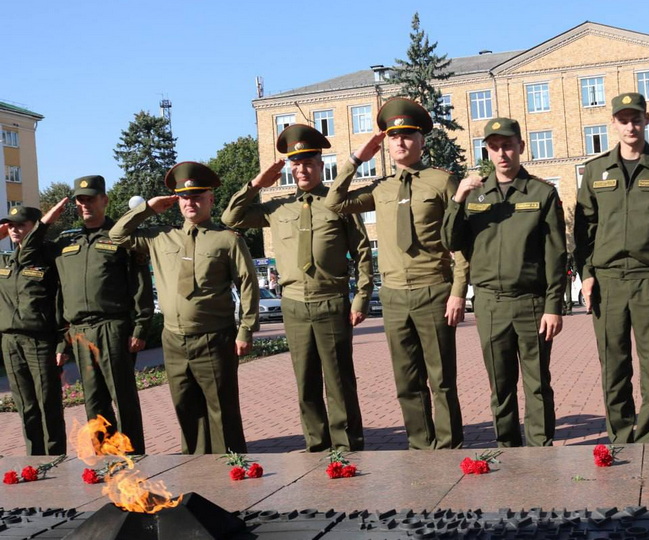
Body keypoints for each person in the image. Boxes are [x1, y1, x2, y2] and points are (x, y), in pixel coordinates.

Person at [325, 97, 468, 450]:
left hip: (433, 289)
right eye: (393, 137)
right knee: (407, 380)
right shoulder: (380, 188)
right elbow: (334, 202)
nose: (400, 142)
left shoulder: (441, 182)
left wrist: (458, 290)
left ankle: (449, 447)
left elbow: (461, 240)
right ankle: (420, 446)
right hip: (393, 295)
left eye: (407, 136)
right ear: (385, 144)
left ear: (421, 141)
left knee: (441, 379)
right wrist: (358, 158)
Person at [222, 124, 373, 452]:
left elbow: (362, 251)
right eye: (296, 164)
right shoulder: (277, 208)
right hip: (293, 303)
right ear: (290, 168)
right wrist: (257, 184)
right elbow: (230, 217)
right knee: (305, 381)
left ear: (321, 165)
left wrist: (362, 296)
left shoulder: (338, 203)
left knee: (338, 380)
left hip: (330, 299)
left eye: (308, 163)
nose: (302, 170)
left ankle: (347, 444)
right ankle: (317, 444)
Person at [109, 161, 259, 454]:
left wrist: (246, 329)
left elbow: (248, 284)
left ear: (211, 199)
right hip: (174, 339)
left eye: (198, 196)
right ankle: (195, 468)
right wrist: (149, 208)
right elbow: (117, 234)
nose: (191, 202)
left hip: (214, 337)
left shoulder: (227, 240)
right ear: (177, 200)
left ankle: (232, 468)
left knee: (221, 409)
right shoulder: (160, 237)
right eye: (184, 197)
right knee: (185, 407)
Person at [575, 92, 649, 444]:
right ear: (613, 123)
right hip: (608, 281)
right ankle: (621, 436)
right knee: (614, 366)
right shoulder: (596, 170)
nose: (630, 125)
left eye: (636, 118)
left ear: (647, 119)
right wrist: (586, 274)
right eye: (623, 119)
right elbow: (583, 231)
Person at [442, 117, 566, 447]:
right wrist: (457, 200)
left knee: (537, 382)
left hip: (531, 302)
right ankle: (507, 449)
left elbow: (556, 255)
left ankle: (542, 450)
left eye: (508, 145)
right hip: (490, 303)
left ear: (521, 147)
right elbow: (451, 241)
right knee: (500, 384)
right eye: (495, 147)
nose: (502, 153)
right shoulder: (475, 195)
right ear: (487, 150)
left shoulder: (542, 193)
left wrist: (554, 306)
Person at [29, 175, 153, 454]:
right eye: (80, 200)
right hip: (79, 331)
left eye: (91, 198)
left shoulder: (120, 237)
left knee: (122, 396)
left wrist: (141, 327)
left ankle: (133, 456)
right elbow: (29, 255)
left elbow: (140, 284)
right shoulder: (66, 241)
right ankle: (107, 455)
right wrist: (46, 222)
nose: (85, 204)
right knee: (94, 400)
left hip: (113, 327)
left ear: (104, 200)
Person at [0, 206, 65, 455]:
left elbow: (61, 302)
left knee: (48, 403)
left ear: (35, 227)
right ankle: (35, 457)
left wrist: (62, 342)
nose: (14, 229)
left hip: (39, 341)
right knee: (25, 404)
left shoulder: (49, 258)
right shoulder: (5, 261)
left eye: (21, 224)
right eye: (10, 225)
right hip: (10, 341)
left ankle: (56, 456)